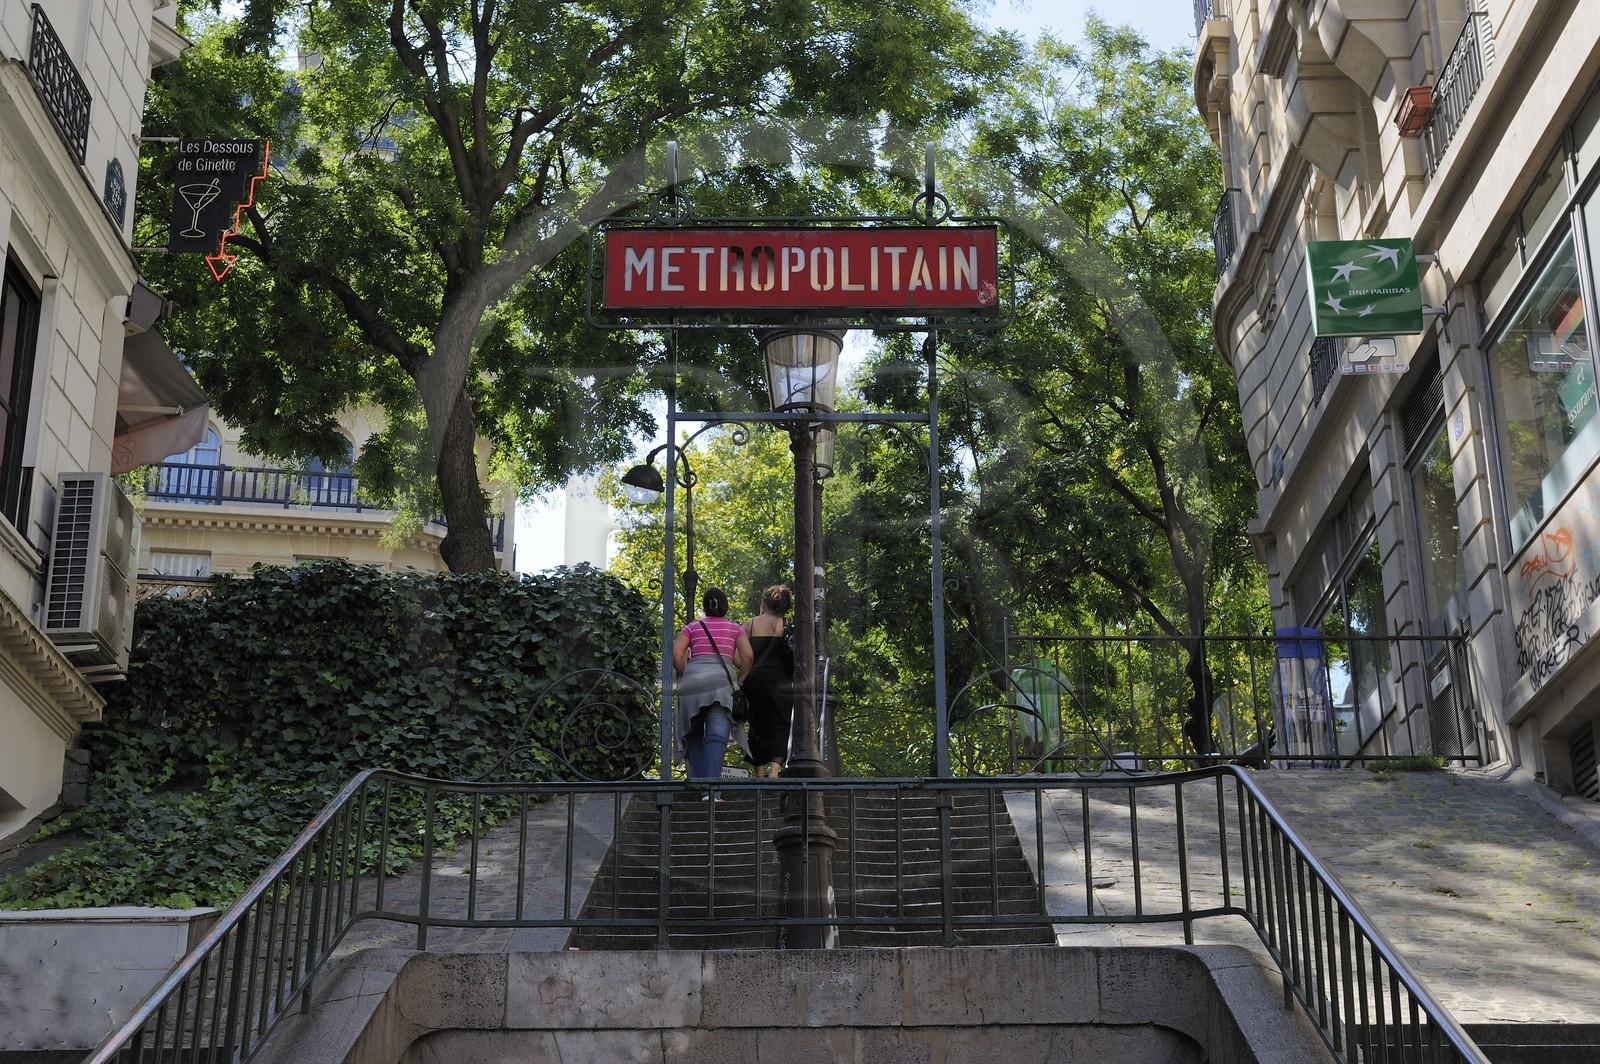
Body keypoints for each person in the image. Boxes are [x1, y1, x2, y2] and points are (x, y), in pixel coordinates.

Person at [671, 587, 753, 791]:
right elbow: (748, 656)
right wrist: (740, 680)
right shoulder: (735, 628)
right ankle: (711, 791)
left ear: (705, 607)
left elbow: (676, 654)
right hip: (720, 684)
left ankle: (698, 786)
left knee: (692, 733)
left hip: (692, 684)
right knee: (716, 737)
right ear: (725, 607)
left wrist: (686, 674)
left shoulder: (692, 627)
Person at [742, 584, 796, 778]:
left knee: (756, 723)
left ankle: (758, 773)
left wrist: (744, 673)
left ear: (764, 602)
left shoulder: (750, 624)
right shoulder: (788, 625)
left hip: (754, 678)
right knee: (780, 723)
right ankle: (774, 772)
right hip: (780, 680)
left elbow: (736, 655)